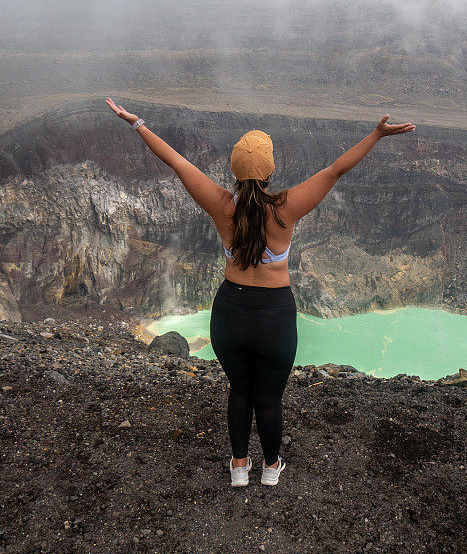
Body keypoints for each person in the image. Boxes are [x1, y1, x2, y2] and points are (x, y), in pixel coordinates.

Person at [105, 97, 415, 486]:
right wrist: (376, 134)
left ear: (233, 170)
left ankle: (238, 467)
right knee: (267, 397)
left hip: (230, 313)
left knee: (239, 390)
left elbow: (177, 162)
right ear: (272, 170)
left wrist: (137, 123)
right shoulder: (286, 207)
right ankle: (271, 468)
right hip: (274, 318)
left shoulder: (221, 206)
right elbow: (336, 169)